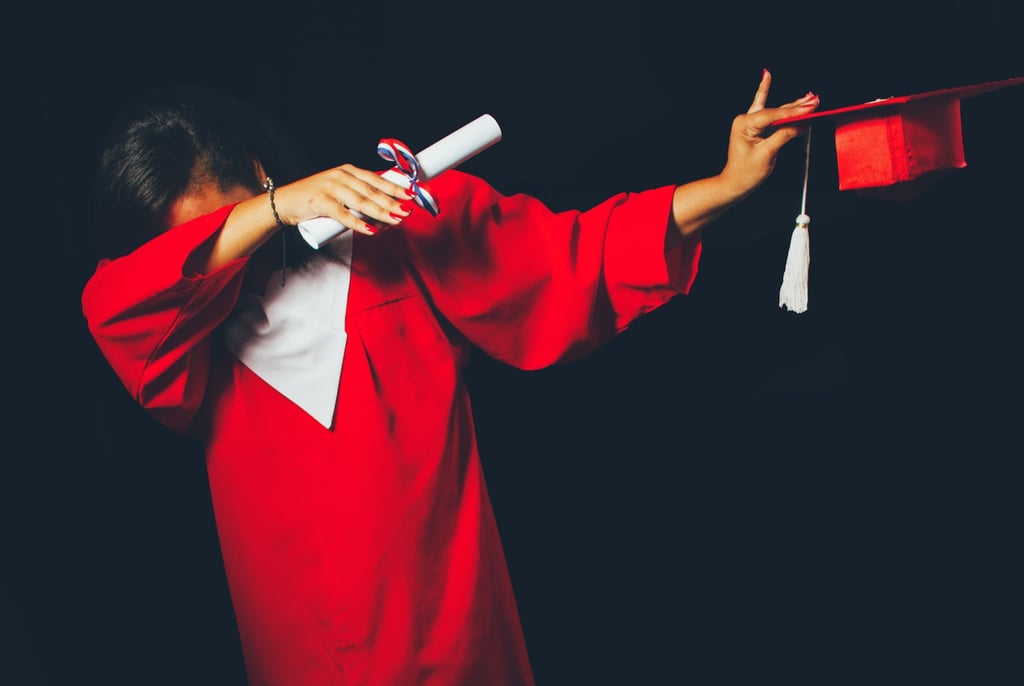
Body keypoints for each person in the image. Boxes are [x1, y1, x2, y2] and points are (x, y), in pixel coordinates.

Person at [81, 72, 819, 685]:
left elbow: (578, 254)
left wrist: (728, 185)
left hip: (450, 635)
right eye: (199, 249)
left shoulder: (398, 238)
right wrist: (269, 211)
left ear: (257, 173)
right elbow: (119, 299)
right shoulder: (174, 336)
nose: (221, 264)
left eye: (226, 222)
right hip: (299, 657)